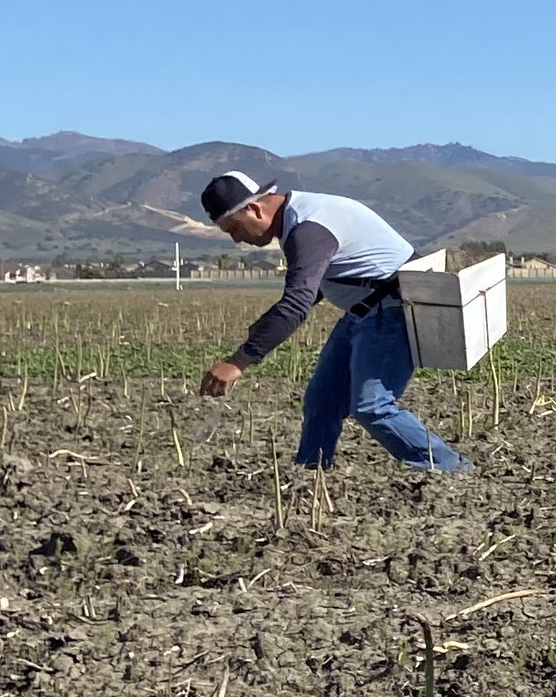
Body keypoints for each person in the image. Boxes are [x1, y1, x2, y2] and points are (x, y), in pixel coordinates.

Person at [195, 169, 471, 478]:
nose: (236, 239)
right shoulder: (298, 219)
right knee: (322, 402)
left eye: (233, 228)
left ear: (254, 208)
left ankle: (452, 471)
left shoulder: (308, 228)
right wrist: (263, 328)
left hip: (391, 310)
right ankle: (309, 476)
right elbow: (314, 289)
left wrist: (240, 360)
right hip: (363, 310)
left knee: (373, 407)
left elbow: (297, 303)